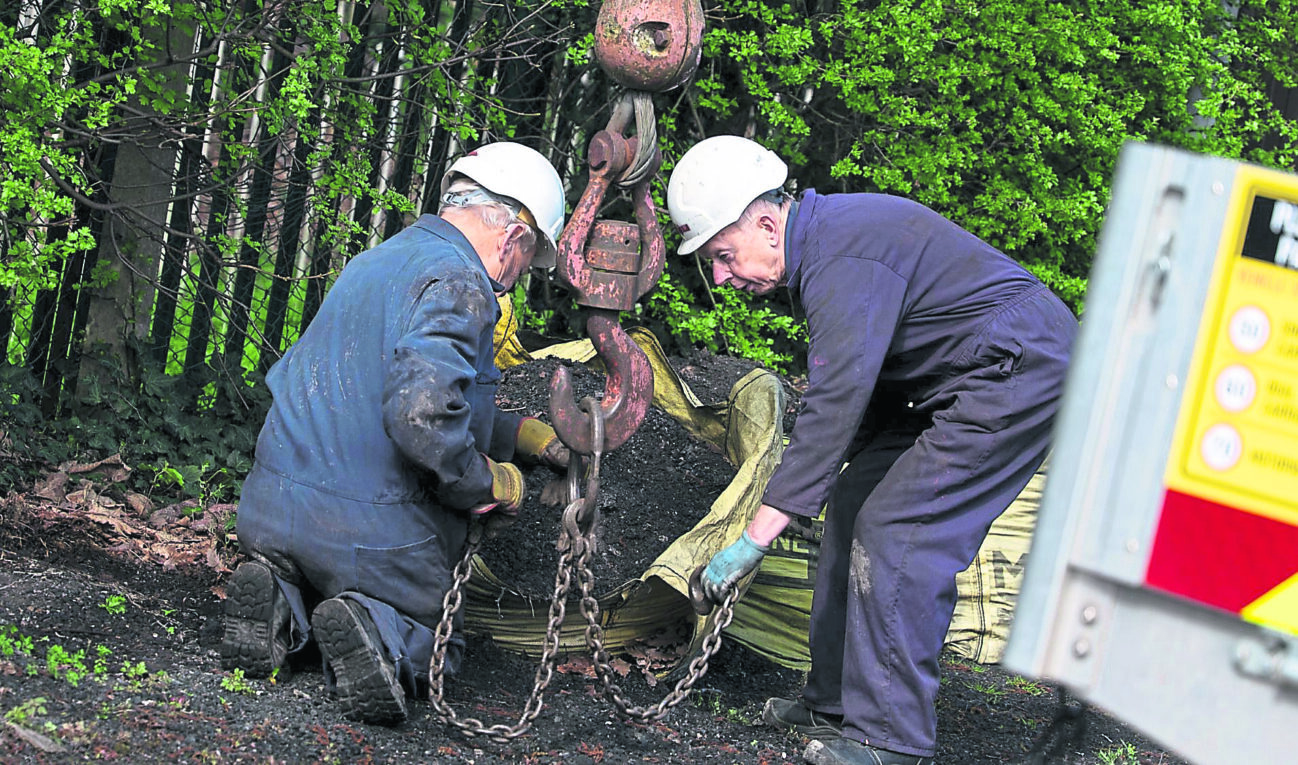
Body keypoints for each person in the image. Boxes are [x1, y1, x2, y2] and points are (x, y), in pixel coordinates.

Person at [667, 136, 1077, 765]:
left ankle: (890, 739)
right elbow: (866, 392)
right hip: (950, 381)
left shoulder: (843, 254)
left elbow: (837, 398)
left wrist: (756, 538)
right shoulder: (825, 251)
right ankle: (831, 702)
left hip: (1017, 370)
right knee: (857, 498)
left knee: (899, 529)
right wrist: (821, 477)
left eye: (723, 256)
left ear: (769, 225)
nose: (721, 277)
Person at [220, 141, 571, 725]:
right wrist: (487, 482)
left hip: (271, 507)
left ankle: (279, 601)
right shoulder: (460, 283)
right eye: (526, 264)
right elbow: (422, 417)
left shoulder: (375, 260)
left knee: (307, 573)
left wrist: (522, 436)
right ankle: (379, 628)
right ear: (513, 239)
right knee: (438, 635)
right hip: (368, 532)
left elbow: (372, 389)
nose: (515, 280)